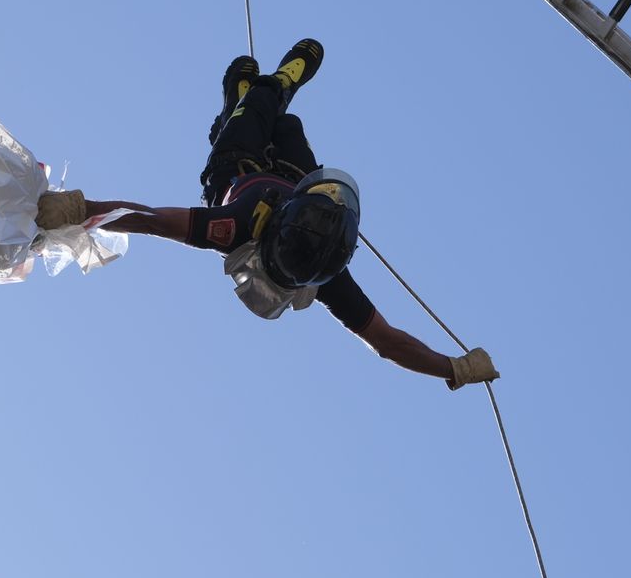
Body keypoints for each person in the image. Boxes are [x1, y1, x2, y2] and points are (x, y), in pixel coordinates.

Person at [35, 39, 499, 390]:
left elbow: (149, 218)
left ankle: (271, 85)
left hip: (236, 167)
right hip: (293, 175)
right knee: (289, 125)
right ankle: (243, 100)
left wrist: (78, 210)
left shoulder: (233, 227)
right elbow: (388, 342)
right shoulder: (328, 274)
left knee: (260, 101)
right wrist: (452, 369)